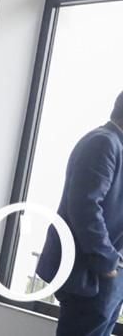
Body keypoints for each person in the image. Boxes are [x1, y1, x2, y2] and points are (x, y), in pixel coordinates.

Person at [36, 91, 123, 336]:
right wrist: (106, 262)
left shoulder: (113, 145)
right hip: (92, 275)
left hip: (106, 275)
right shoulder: (103, 143)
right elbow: (85, 208)